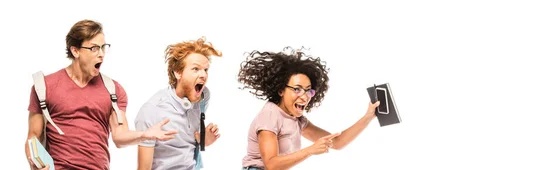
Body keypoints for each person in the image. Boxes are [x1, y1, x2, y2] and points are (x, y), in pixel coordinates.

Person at [24, 19, 178, 170]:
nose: (101, 54)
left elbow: (119, 137)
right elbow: (33, 136)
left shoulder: (113, 90)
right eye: (94, 48)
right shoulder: (44, 86)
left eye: (103, 47)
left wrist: (144, 135)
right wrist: (36, 164)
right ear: (75, 50)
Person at [238, 47, 381, 170]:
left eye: (308, 91)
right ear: (281, 90)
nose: (305, 97)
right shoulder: (270, 114)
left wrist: (368, 116)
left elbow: (337, 142)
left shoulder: (298, 121)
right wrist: (310, 150)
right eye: (297, 89)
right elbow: (271, 165)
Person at [134, 37, 222, 170]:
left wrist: (204, 140)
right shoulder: (152, 110)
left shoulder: (203, 98)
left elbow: (190, 138)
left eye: (206, 70)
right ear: (178, 72)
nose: (203, 75)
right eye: (196, 69)